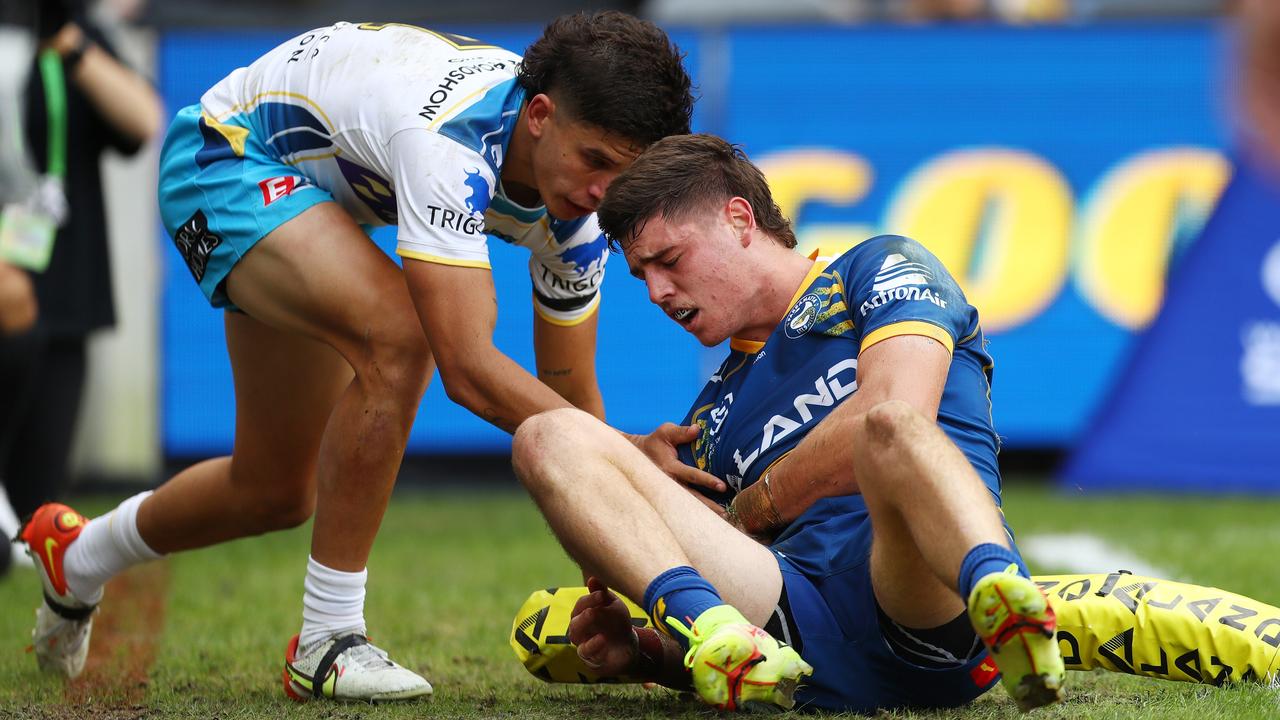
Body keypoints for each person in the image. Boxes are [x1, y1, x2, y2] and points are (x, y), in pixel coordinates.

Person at [19, 12, 698, 702]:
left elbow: (573, 398)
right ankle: (328, 640)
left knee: (273, 491)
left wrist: (620, 587)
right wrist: (627, 451)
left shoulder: (583, 211)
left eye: (625, 175)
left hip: (307, 196)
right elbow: (465, 369)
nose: (601, 195)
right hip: (221, 157)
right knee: (404, 334)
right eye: (595, 162)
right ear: (541, 117)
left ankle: (75, 556)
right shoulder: (449, 145)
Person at [509, 133, 1066, 713]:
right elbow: (729, 553)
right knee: (545, 433)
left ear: (739, 219)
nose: (656, 292)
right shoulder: (704, 418)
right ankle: (714, 634)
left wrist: (756, 504)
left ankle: (1004, 603)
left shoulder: (878, 268)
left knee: (889, 425)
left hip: (924, 595)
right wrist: (648, 652)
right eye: (641, 275)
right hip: (799, 631)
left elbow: (895, 407)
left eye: (669, 260)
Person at [0, 0, 161, 572]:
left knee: (34, 515)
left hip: (63, 288)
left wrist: (70, 43)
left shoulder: (70, 29)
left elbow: (143, 120)